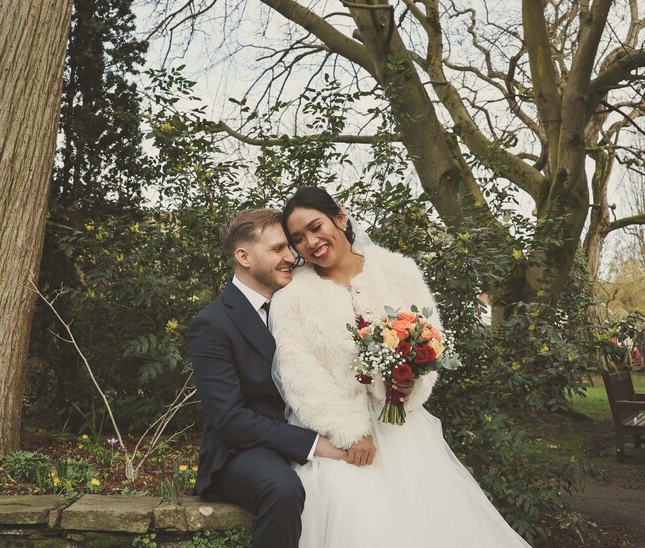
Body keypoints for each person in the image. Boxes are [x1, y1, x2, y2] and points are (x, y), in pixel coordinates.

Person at [270, 187, 531, 547]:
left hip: (402, 427)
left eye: (316, 227)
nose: (311, 242)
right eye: (298, 238)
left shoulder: (398, 271)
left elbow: (429, 338)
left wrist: (409, 387)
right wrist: (350, 432)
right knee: (356, 513)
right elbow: (301, 375)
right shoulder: (292, 299)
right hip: (337, 437)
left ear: (340, 218)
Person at [189, 208, 365, 548]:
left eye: (290, 247)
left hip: (316, 426)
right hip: (243, 451)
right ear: (243, 256)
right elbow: (229, 418)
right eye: (278, 249)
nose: (291, 257)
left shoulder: (302, 300)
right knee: (282, 490)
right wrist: (314, 445)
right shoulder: (213, 324)